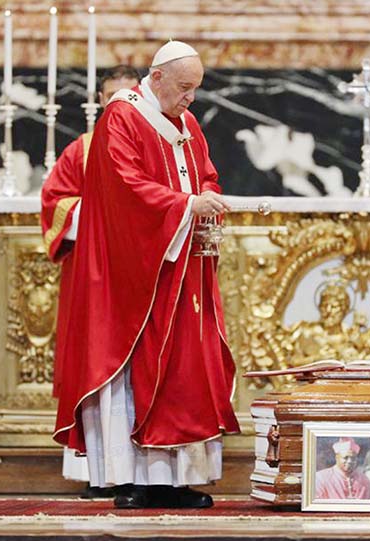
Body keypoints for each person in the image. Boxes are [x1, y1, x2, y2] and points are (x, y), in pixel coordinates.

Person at [51, 41, 240, 510]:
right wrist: (185, 206)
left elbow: (206, 175)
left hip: (183, 272)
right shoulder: (123, 117)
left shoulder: (189, 123)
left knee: (185, 373)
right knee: (139, 371)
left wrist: (208, 199)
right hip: (136, 276)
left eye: (195, 89)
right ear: (156, 78)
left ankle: (176, 480)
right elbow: (124, 187)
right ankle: (133, 478)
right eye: (183, 88)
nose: (190, 98)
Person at [41, 65, 142, 498]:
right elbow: (55, 204)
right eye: (111, 97)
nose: (118, 104)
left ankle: (140, 472)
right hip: (94, 279)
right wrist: (103, 218)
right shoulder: (81, 151)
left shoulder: (147, 145)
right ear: (101, 102)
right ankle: (99, 471)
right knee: (96, 368)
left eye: (127, 96)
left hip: (138, 277)